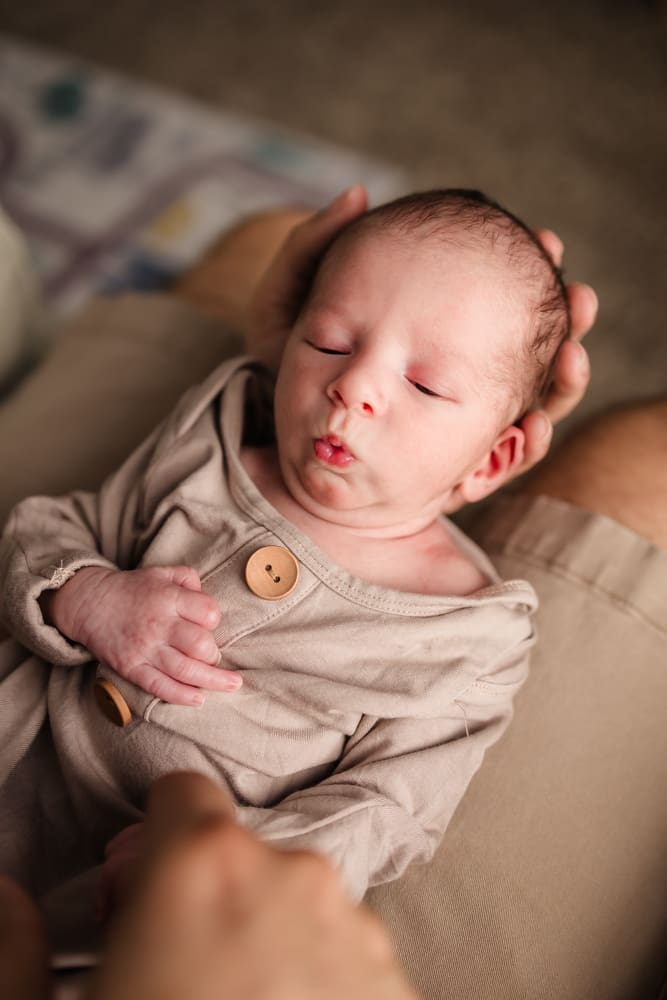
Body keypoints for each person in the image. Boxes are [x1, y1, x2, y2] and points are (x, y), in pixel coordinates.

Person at [2, 188, 578, 906]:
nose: (352, 384)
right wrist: (85, 593)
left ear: (492, 460)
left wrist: (245, 851)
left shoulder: (467, 639)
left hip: (141, 906)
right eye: (329, 342)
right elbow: (43, 529)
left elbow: (386, 811)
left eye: (425, 385)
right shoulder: (211, 447)